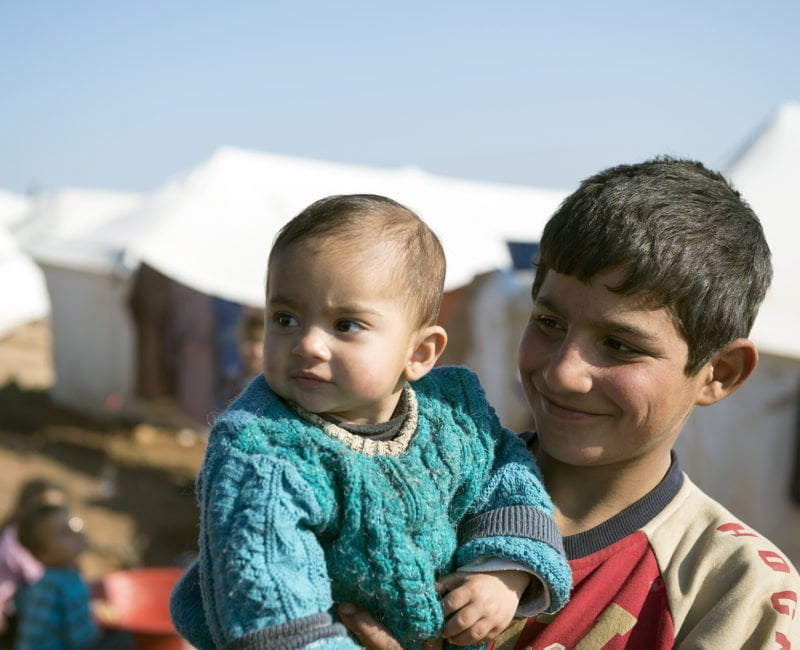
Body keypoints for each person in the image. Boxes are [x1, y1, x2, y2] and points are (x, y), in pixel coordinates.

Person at [338, 157, 800, 648]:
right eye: (549, 324)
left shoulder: (735, 588)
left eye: (620, 346)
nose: (562, 372)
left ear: (719, 374)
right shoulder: (415, 487)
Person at [169, 194, 572, 649]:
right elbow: (270, 617)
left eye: (346, 325)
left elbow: (506, 477)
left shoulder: (453, 416)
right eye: (286, 318)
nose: (308, 345)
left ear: (419, 354)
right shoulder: (265, 453)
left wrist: (502, 571)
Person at [12, 503, 132, 650]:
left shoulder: (64, 575)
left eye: (75, 525)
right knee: (124, 638)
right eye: (64, 532)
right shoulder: (55, 586)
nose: (77, 533)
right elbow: (80, 639)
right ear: (44, 554)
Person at [0, 478, 68, 643]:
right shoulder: (15, 539)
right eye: (44, 509)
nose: (51, 515)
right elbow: (37, 578)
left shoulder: (41, 539)